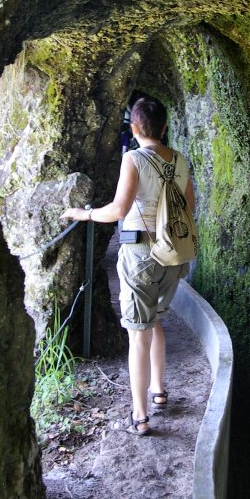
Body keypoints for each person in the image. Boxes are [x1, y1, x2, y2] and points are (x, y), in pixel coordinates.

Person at [61, 97, 196, 436]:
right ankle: (160, 391)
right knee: (156, 323)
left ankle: (140, 413)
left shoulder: (133, 159)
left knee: (137, 333)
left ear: (134, 128)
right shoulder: (180, 160)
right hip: (174, 255)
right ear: (164, 127)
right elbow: (189, 206)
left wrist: (85, 214)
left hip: (140, 254)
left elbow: (119, 210)